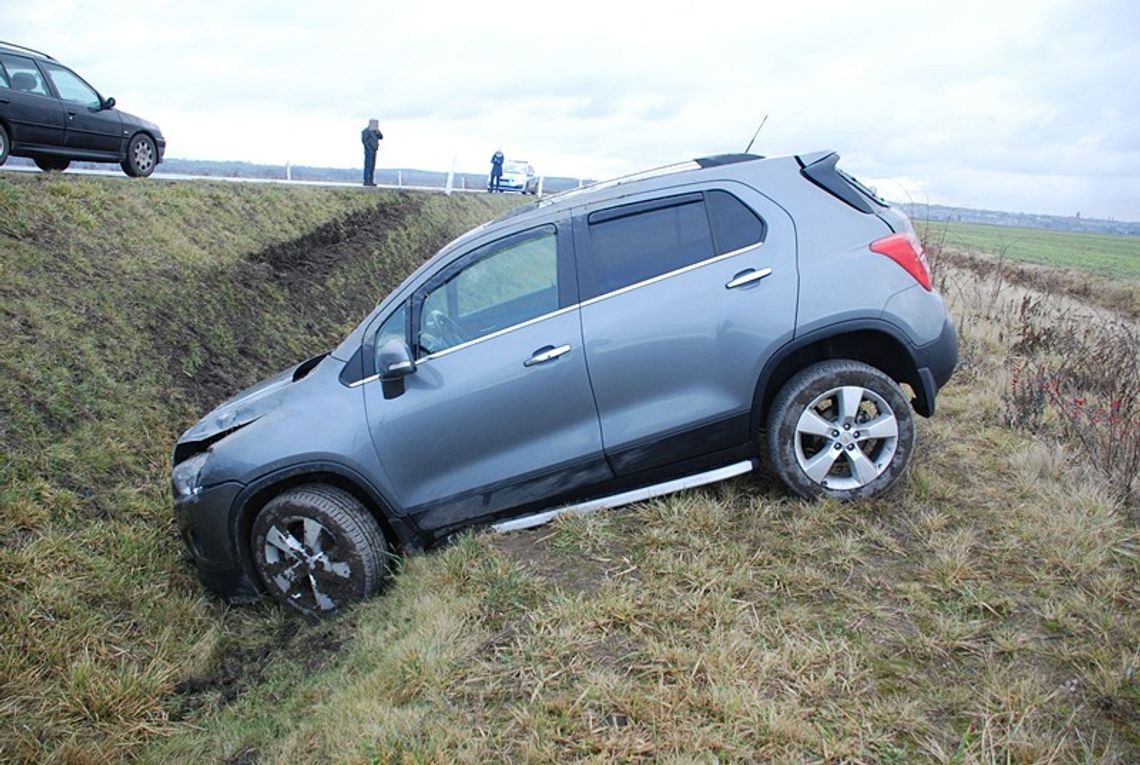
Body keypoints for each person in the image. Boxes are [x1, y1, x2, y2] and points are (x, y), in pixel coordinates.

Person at [361, 119, 383, 187]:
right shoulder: (366, 131)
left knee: (372, 166)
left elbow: (381, 137)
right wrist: (368, 148)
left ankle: (371, 181)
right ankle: (367, 181)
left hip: (374, 150)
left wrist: (377, 131)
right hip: (369, 151)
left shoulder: (375, 131)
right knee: (368, 166)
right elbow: (364, 141)